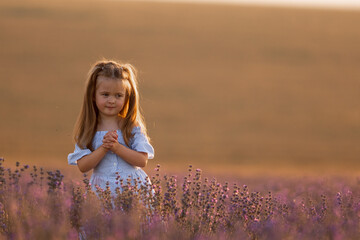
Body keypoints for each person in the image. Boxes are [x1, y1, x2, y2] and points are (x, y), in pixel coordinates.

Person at [68, 59, 154, 195]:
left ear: (127, 97)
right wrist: (104, 148)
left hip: (133, 189)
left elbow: (142, 160)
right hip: (103, 191)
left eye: (118, 95)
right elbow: (83, 166)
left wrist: (117, 147)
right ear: (93, 96)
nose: (112, 100)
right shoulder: (89, 129)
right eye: (105, 95)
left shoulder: (131, 126)